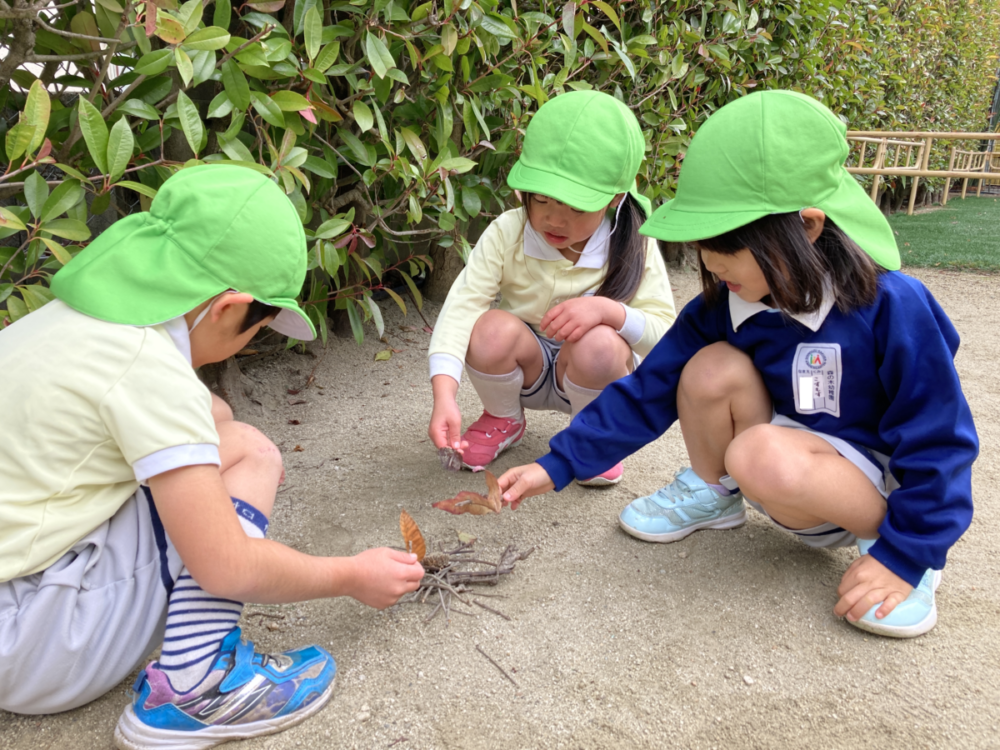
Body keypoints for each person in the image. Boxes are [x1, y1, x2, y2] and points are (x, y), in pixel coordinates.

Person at [496, 90, 978, 638]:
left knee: (757, 452)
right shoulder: (730, 300)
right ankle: (716, 492)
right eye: (703, 240)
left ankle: (891, 547)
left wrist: (909, 551)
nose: (710, 260)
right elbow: (651, 387)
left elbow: (941, 436)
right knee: (706, 368)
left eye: (727, 241)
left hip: (862, 483)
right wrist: (557, 465)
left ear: (808, 227)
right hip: (781, 464)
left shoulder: (893, 305)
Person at [0, 165, 425, 746]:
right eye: (259, 329)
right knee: (251, 452)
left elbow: (206, 418)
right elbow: (227, 566)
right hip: (32, 648)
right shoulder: (147, 370)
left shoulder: (64, 322)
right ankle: (198, 685)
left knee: (222, 436)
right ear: (229, 309)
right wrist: (351, 576)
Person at [428, 90, 676, 485]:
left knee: (602, 342)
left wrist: (607, 311)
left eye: (577, 207)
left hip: (592, 371)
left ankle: (590, 434)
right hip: (523, 367)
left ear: (614, 199)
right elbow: (463, 306)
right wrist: (444, 394)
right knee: (488, 327)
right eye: (541, 199)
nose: (554, 219)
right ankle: (503, 417)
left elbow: (667, 335)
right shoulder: (508, 231)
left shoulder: (633, 242)